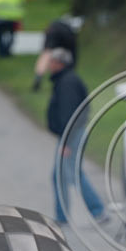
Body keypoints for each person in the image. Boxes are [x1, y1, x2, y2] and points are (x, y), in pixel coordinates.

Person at [46, 47, 104, 223]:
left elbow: (69, 114)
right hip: (70, 134)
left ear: (59, 63)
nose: (49, 65)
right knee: (59, 176)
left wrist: (66, 142)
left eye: (51, 62)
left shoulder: (67, 83)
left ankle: (97, 209)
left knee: (72, 173)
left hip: (71, 136)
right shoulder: (65, 80)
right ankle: (63, 216)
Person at [31, 19, 77, 92]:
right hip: (63, 36)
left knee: (46, 54)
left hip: (51, 29)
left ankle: (38, 76)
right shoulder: (70, 33)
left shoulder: (54, 27)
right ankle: (63, 80)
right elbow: (73, 55)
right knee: (62, 59)